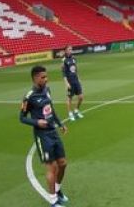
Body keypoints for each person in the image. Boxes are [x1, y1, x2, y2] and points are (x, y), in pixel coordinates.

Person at [20, 65, 70, 207]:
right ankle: (53, 200)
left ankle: (58, 190)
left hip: (53, 131)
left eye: (46, 76)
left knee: (63, 163)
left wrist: (60, 124)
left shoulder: (47, 90)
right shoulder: (29, 97)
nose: (46, 79)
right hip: (42, 136)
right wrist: (36, 121)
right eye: (43, 77)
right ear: (35, 78)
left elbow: (51, 109)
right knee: (51, 167)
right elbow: (22, 118)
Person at [61, 47, 84, 121]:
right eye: (69, 49)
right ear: (66, 51)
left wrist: (79, 78)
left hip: (76, 81)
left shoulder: (74, 58)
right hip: (70, 82)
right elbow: (63, 73)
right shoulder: (64, 60)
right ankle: (70, 113)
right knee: (69, 98)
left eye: (71, 49)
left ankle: (76, 110)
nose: (71, 51)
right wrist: (66, 83)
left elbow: (75, 70)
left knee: (81, 97)